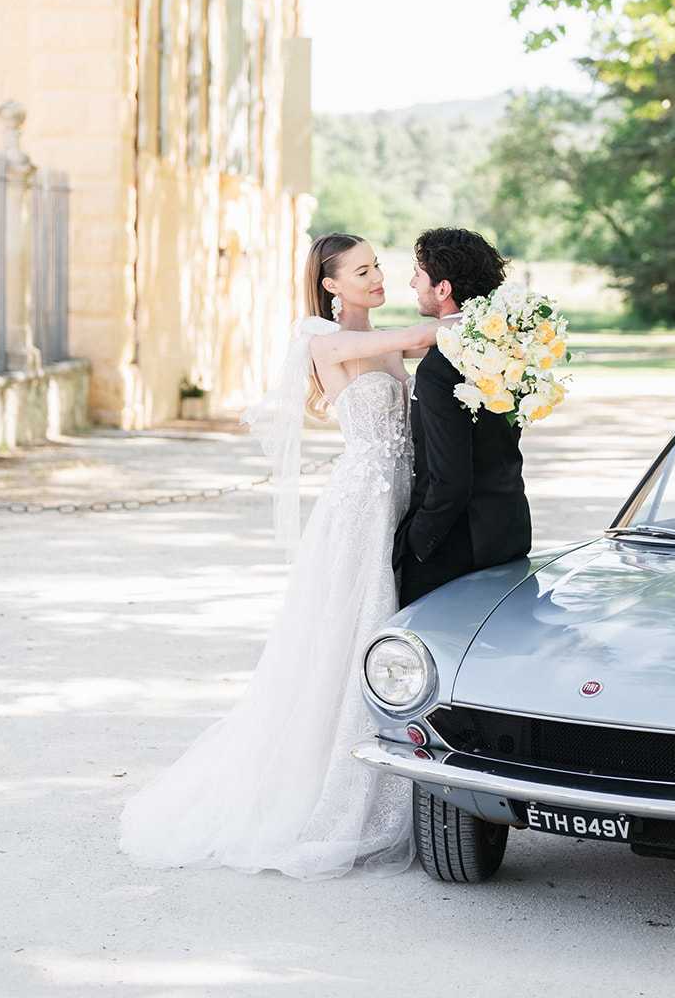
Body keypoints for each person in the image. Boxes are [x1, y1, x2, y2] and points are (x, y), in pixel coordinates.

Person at [118, 232, 437, 880]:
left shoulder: (369, 337)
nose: (377, 277)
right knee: (344, 638)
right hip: (360, 506)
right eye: (362, 271)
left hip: (399, 497)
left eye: (379, 267)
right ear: (330, 284)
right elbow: (413, 339)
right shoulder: (324, 339)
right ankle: (329, 793)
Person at [395, 227, 533, 605]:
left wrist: (415, 543)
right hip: (510, 532)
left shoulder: (441, 368)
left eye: (418, 274)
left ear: (442, 289)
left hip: (455, 550)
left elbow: (450, 480)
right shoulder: (511, 349)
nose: (412, 283)